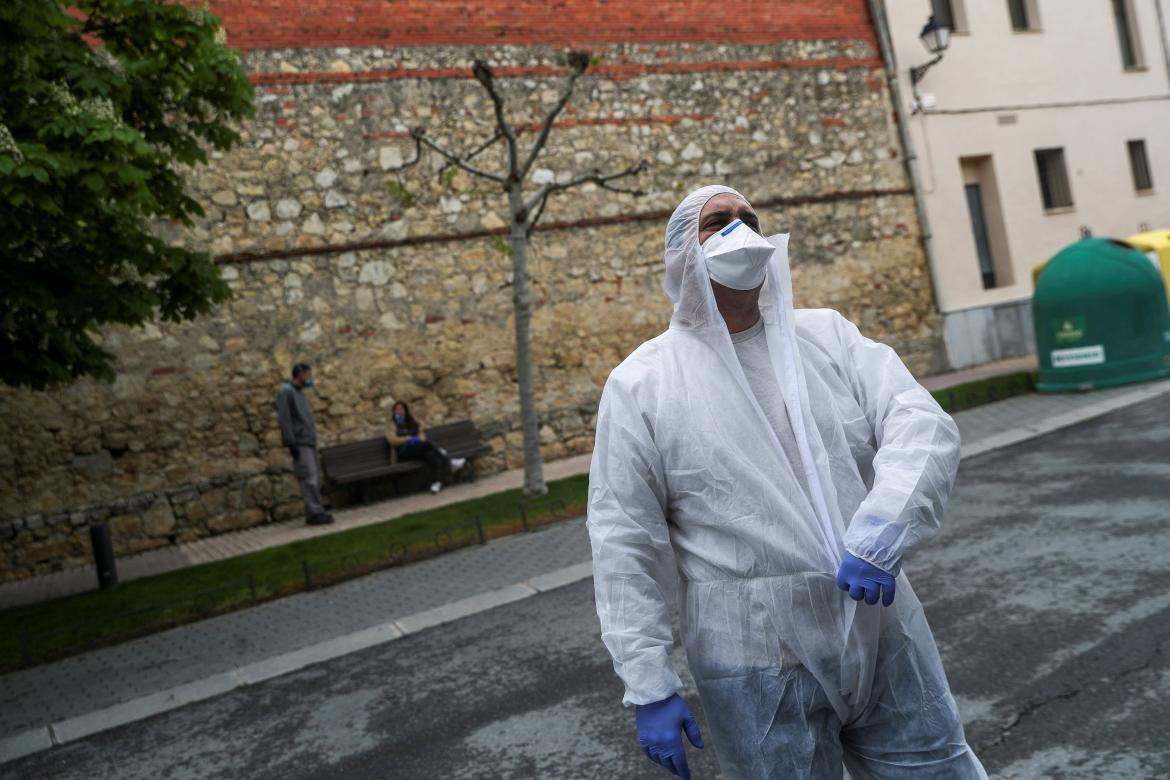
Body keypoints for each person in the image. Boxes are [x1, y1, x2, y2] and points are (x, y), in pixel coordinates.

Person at [587, 185, 986, 779]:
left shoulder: (826, 337)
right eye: (717, 222)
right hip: (753, 655)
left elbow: (920, 421)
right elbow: (625, 539)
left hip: (878, 624)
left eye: (750, 218)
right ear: (680, 255)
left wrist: (883, 528)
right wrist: (649, 684)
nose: (740, 230)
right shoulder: (643, 384)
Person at [276, 362, 334, 526]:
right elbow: (285, 419)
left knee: (313, 476)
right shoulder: (286, 392)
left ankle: (314, 511)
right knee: (309, 478)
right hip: (299, 442)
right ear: (300, 374)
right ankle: (315, 513)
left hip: (308, 440)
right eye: (308, 374)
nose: (310, 378)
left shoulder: (299, 392)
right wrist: (290, 442)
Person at [385, 401, 465, 494]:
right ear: (393, 412)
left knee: (430, 455)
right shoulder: (391, 425)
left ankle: (436, 483)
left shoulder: (412, 422)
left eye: (401, 409)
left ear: (405, 411)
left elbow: (422, 436)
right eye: (397, 409)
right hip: (403, 453)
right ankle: (449, 461)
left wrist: (416, 440)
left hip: (417, 450)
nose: (399, 411)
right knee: (426, 444)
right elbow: (393, 440)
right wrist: (408, 438)